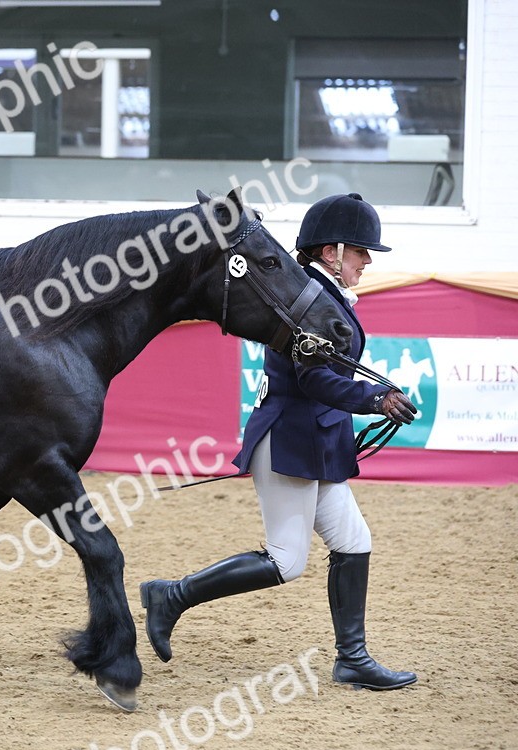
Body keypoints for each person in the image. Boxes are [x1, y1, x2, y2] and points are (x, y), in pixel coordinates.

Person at [140, 193, 419, 691]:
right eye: (361, 251)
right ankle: (171, 595)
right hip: (290, 440)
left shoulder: (317, 292)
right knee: (286, 560)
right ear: (333, 250)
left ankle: (352, 658)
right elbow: (313, 381)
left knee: (354, 541)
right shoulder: (303, 295)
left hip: (319, 441)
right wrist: (375, 400)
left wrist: (374, 399)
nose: (368, 261)